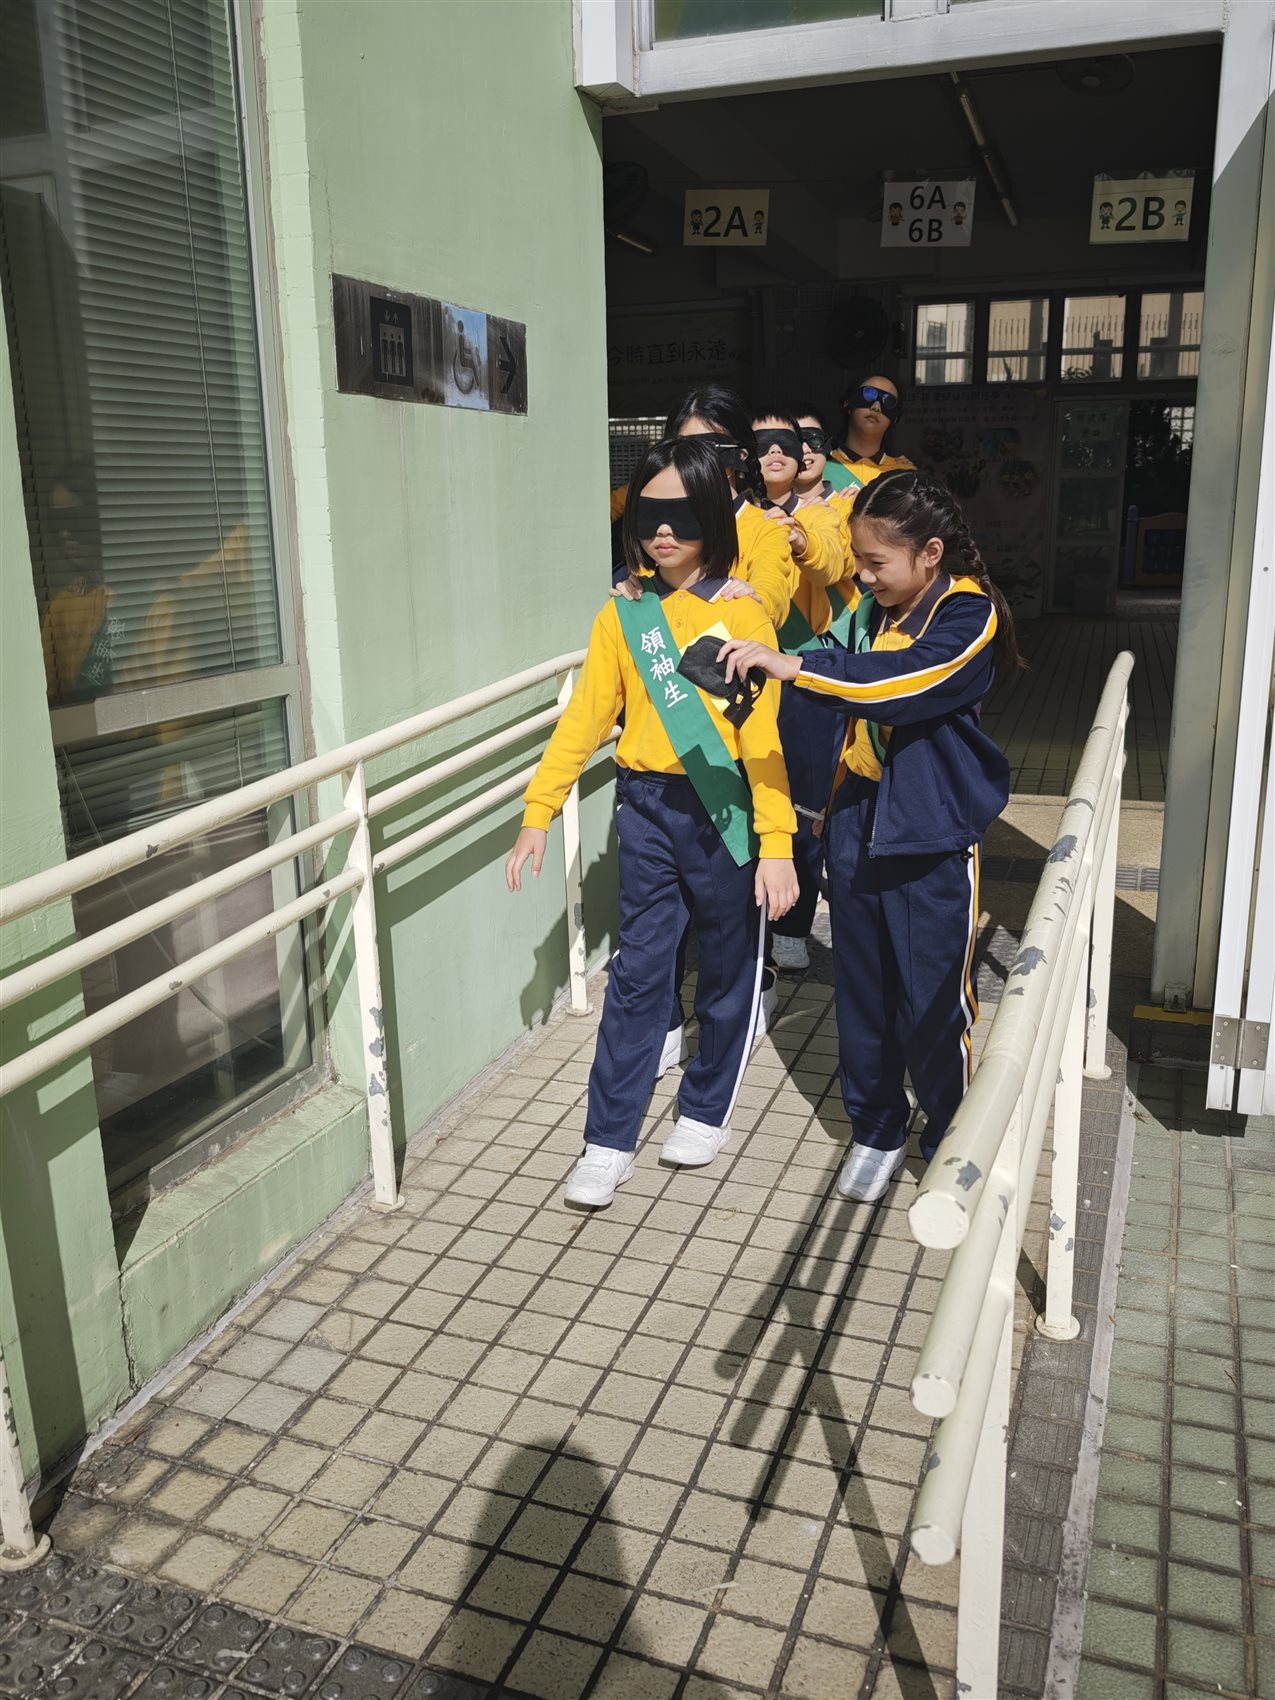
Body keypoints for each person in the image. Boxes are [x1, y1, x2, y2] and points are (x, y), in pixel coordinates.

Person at [716, 468, 1020, 1203]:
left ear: (930, 553)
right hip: (856, 818)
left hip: (929, 831)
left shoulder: (966, 614)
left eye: (876, 563)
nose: (864, 576)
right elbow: (828, 660)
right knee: (862, 991)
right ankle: (877, 1129)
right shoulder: (869, 611)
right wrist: (742, 610)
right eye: (858, 561)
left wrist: (796, 668)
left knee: (933, 1002)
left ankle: (949, 1139)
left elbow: (901, 684)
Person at [510, 436, 798, 1209]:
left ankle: (704, 1108)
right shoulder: (624, 611)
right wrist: (540, 808)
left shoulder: (742, 612)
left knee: (728, 969)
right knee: (638, 974)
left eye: (679, 514)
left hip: (724, 808)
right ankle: (607, 1141)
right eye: (647, 514)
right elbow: (585, 718)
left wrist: (778, 844)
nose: (662, 531)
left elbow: (762, 737)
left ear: (711, 514)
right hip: (643, 807)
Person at [754, 411, 854, 972]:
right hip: (744, 667)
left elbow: (832, 561)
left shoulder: (828, 510)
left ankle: (791, 923)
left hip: (807, 666)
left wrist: (796, 535)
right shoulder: (733, 512)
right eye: (763, 442)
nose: (778, 452)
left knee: (804, 802)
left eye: (792, 442)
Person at [611, 386, 795, 632]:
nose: (693, 463)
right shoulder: (658, 522)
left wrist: (757, 601)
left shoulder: (767, 527)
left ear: (739, 455)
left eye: (706, 449)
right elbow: (647, 577)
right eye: (682, 449)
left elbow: (772, 590)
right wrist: (634, 588)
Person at [824, 374, 913, 495]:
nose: (876, 407)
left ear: (895, 418)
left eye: (889, 402)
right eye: (868, 394)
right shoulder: (818, 465)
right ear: (848, 402)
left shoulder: (905, 475)